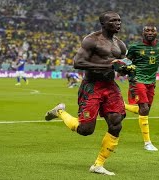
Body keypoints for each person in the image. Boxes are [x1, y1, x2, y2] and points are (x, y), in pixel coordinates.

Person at [44, 11, 134, 176]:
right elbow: (78, 62)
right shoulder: (91, 40)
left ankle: (98, 165)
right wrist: (109, 65)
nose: (118, 23)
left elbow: (121, 66)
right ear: (103, 23)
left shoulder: (120, 45)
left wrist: (128, 69)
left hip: (110, 86)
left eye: (119, 20)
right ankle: (60, 112)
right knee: (86, 130)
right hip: (92, 86)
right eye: (113, 21)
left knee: (116, 123)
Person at [124, 25, 159, 151]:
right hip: (138, 80)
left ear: (156, 32)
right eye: (147, 30)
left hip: (151, 81)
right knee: (144, 109)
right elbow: (127, 63)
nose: (149, 32)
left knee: (146, 109)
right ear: (142, 33)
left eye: (152, 30)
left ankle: (121, 105)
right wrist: (130, 78)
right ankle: (147, 143)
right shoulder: (134, 47)